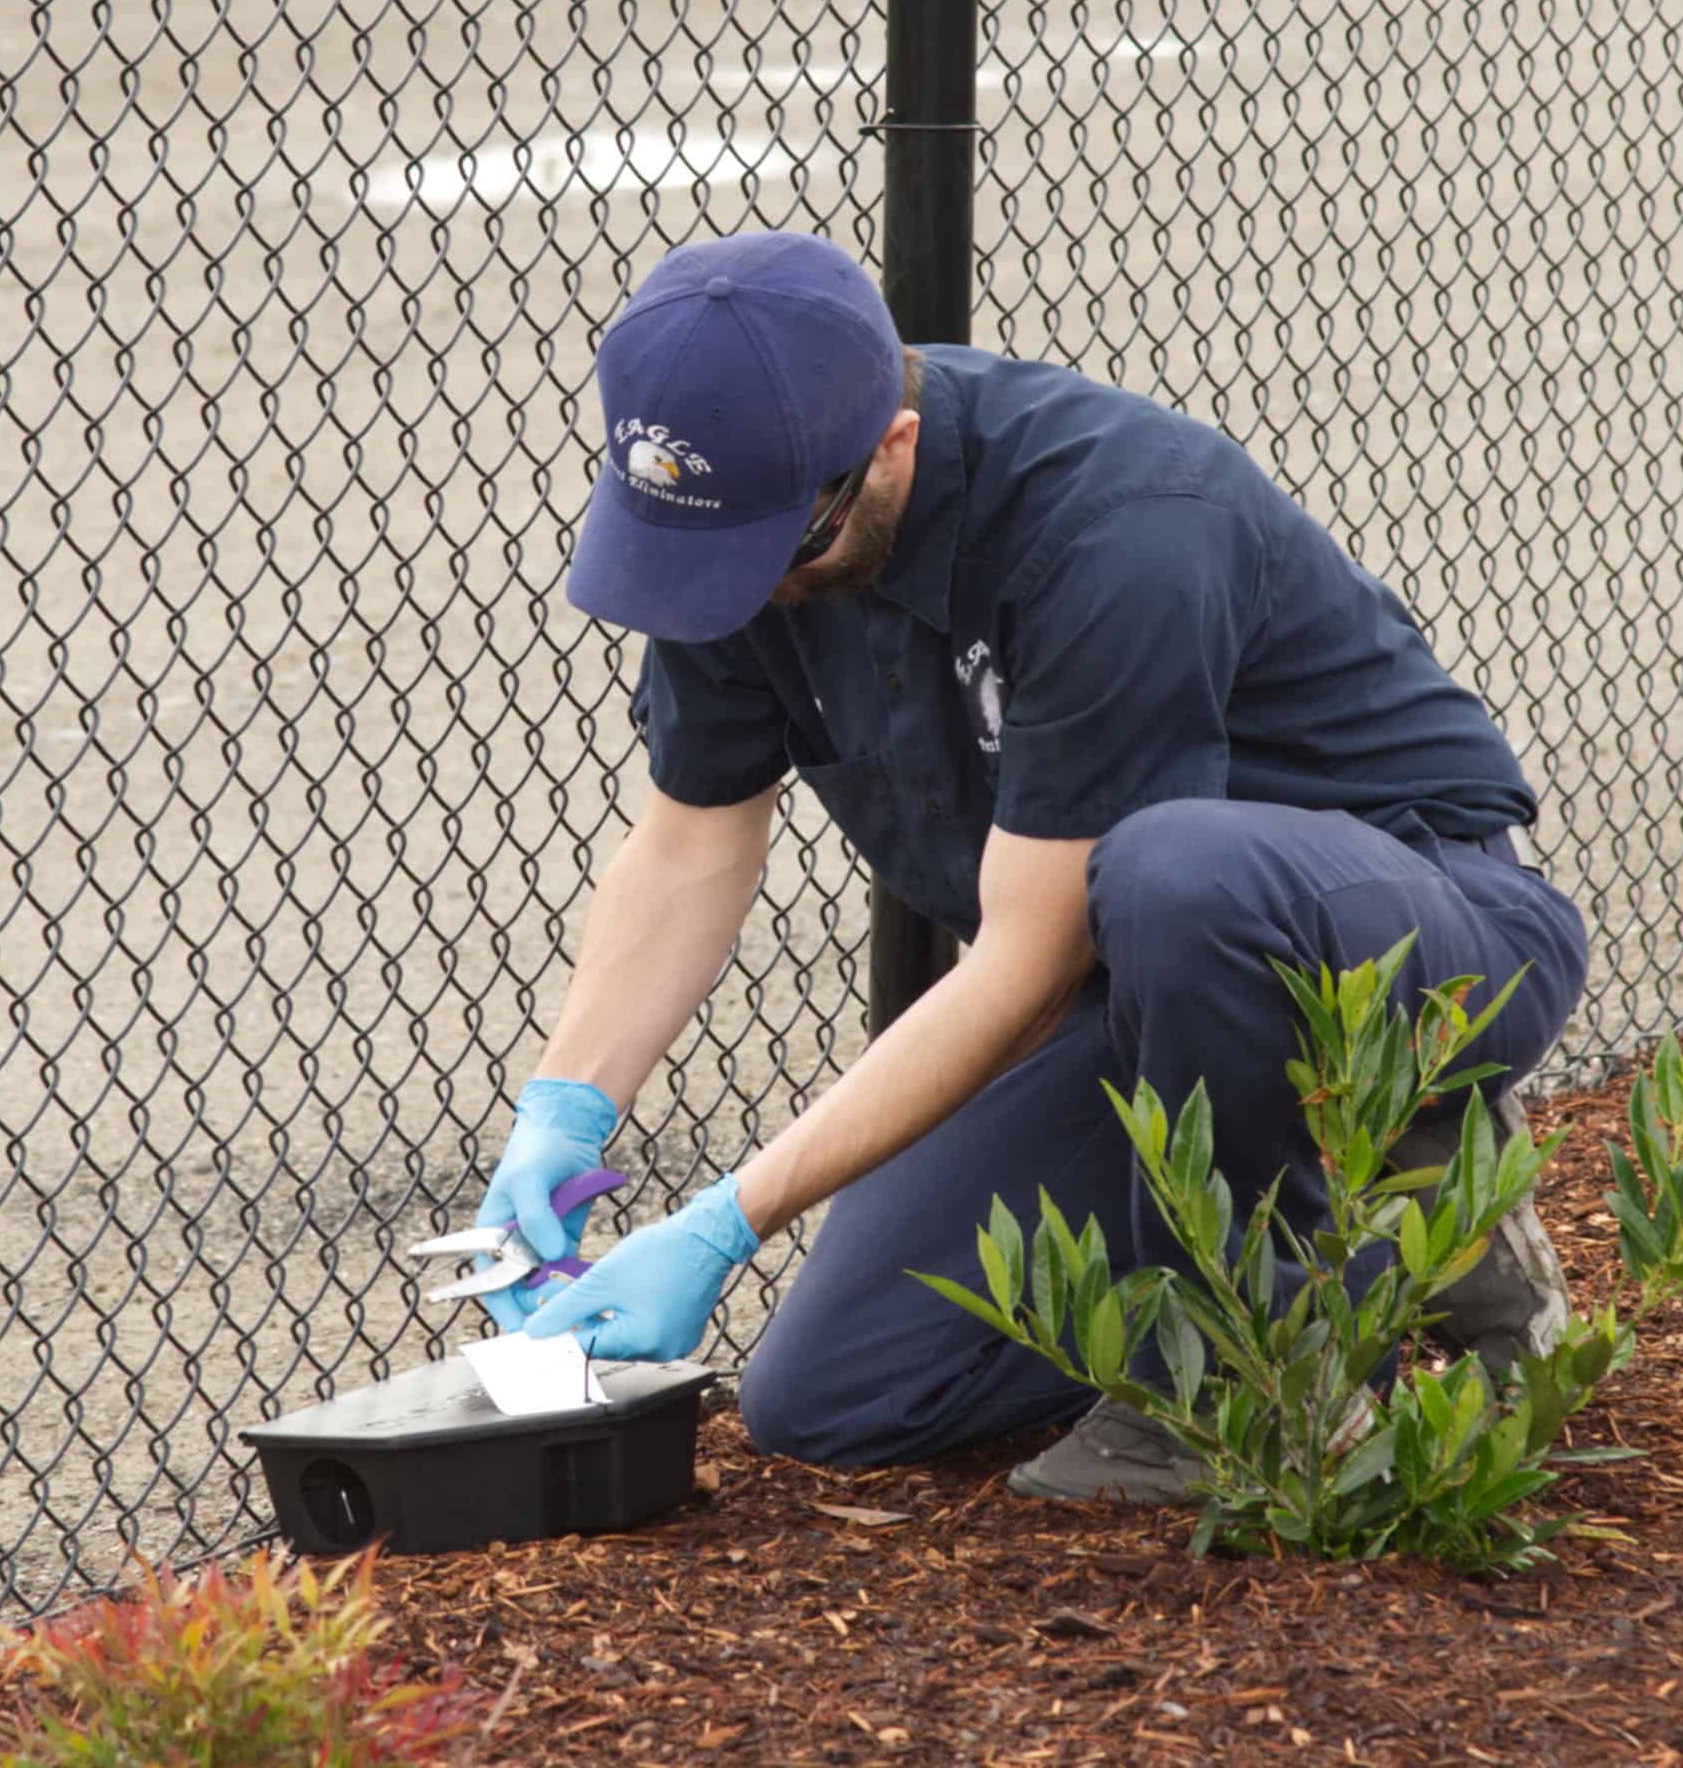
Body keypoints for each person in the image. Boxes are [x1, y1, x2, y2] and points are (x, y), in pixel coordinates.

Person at [475, 230, 1589, 1500]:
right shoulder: (751, 527)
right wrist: (563, 1110)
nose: (748, 588)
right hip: (1147, 989)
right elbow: (692, 836)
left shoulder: (1116, 523)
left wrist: (725, 1218)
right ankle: (1387, 1260)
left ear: (890, 444)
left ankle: (1269, 1349)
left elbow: (1027, 957)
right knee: (829, 1397)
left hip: (1414, 934)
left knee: (1174, 871)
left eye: (782, 550)